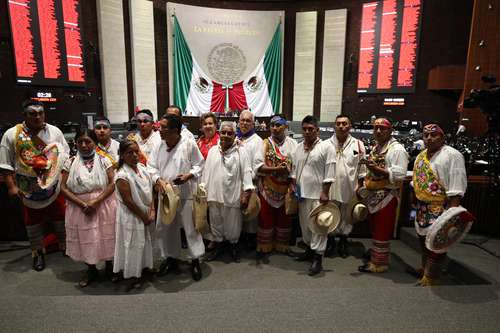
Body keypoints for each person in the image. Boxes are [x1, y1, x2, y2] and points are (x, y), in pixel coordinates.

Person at [0, 100, 69, 271]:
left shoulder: (55, 131)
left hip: (54, 186)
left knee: (60, 216)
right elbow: (5, 164)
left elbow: (65, 155)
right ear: (25, 115)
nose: (37, 116)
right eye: (32, 113)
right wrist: (11, 186)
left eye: (40, 113)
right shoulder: (12, 134)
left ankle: (65, 246)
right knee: (32, 222)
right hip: (28, 188)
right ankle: (37, 253)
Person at [148, 114, 205, 281]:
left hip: (186, 193)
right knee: (167, 227)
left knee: (190, 227)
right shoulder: (158, 145)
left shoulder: (188, 144)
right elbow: (151, 167)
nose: (159, 130)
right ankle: (170, 257)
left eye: (163, 127)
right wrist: (157, 180)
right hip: (166, 194)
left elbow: (199, 164)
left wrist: (189, 175)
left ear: (175, 130)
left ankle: (195, 259)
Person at [411, 123, 467, 286]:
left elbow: (457, 183)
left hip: (442, 206)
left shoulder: (453, 155)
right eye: (426, 135)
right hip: (422, 206)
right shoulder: (421, 155)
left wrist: (452, 211)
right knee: (423, 240)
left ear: (442, 137)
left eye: (433, 135)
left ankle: (432, 276)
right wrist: (414, 199)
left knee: (437, 242)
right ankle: (424, 268)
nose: (429, 138)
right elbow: (417, 180)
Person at [60, 129, 117, 287]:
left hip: (103, 204)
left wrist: (96, 201)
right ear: (75, 143)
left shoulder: (105, 160)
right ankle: (91, 269)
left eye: (88, 141)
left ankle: (110, 267)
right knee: (87, 238)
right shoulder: (69, 162)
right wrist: (83, 204)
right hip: (80, 207)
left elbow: (113, 183)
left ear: (95, 143)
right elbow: (63, 187)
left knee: (106, 235)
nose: (84, 145)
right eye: (80, 142)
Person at [358, 118, 409, 273]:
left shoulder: (397, 149)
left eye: (383, 128)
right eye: (376, 128)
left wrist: (377, 170)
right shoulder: (377, 147)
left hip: (387, 195)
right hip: (374, 195)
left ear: (390, 131)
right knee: (375, 227)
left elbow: (399, 176)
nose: (379, 131)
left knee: (382, 228)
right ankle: (376, 255)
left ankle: (379, 264)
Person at [203, 121, 254, 263]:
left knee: (233, 225)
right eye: (223, 132)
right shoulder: (213, 150)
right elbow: (206, 172)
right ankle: (218, 245)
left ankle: (233, 246)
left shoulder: (241, 151)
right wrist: (203, 192)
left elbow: (247, 172)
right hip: (214, 195)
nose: (226, 135)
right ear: (219, 133)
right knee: (216, 222)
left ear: (234, 134)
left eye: (230, 133)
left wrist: (246, 193)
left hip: (232, 195)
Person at [291, 115, 334, 276]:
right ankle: (309, 250)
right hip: (302, 194)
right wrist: (293, 185)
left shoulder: (326, 147)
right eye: (305, 129)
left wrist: (325, 192)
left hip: (318, 195)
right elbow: (294, 169)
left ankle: (318, 257)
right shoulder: (298, 147)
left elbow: (330, 171)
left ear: (317, 130)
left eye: (311, 129)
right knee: (305, 226)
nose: (307, 132)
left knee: (319, 227)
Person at [114, 140, 155, 291]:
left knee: (145, 243)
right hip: (131, 215)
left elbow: (150, 191)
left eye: (136, 152)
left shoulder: (142, 169)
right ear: (122, 155)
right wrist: (144, 217)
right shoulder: (122, 175)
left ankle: (144, 269)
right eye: (129, 153)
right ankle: (133, 275)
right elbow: (129, 201)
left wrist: (152, 210)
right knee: (132, 245)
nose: (134, 155)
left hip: (145, 213)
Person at [255, 115, 297, 259]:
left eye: (278, 125)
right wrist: (276, 170)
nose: (274, 128)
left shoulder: (293, 144)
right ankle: (264, 246)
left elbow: (296, 166)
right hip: (267, 187)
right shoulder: (264, 143)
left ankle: (282, 245)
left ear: (285, 126)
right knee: (265, 216)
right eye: (272, 125)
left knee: (284, 217)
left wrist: (292, 182)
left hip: (286, 188)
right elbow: (258, 166)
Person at [324, 115, 367, 258]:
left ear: (350, 126)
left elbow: (362, 168)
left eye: (344, 123)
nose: (341, 126)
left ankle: (343, 241)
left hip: (350, 186)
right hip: (330, 186)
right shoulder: (326, 144)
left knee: (347, 216)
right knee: (330, 214)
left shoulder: (358, 144)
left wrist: (360, 187)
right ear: (334, 126)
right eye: (338, 124)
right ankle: (330, 241)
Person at [237, 110, 264, 250]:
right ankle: (238, 239)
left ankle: (250, 240)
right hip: (236, 184)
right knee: (237, 213)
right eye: (242, 120)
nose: (245, 123)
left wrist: (247, 182)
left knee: (250, 213)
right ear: (238, 122)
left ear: (253, 124)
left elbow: (258, 166)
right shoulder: (235, 138)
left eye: (248, 121)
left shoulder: (257, 141)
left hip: (250, 184)